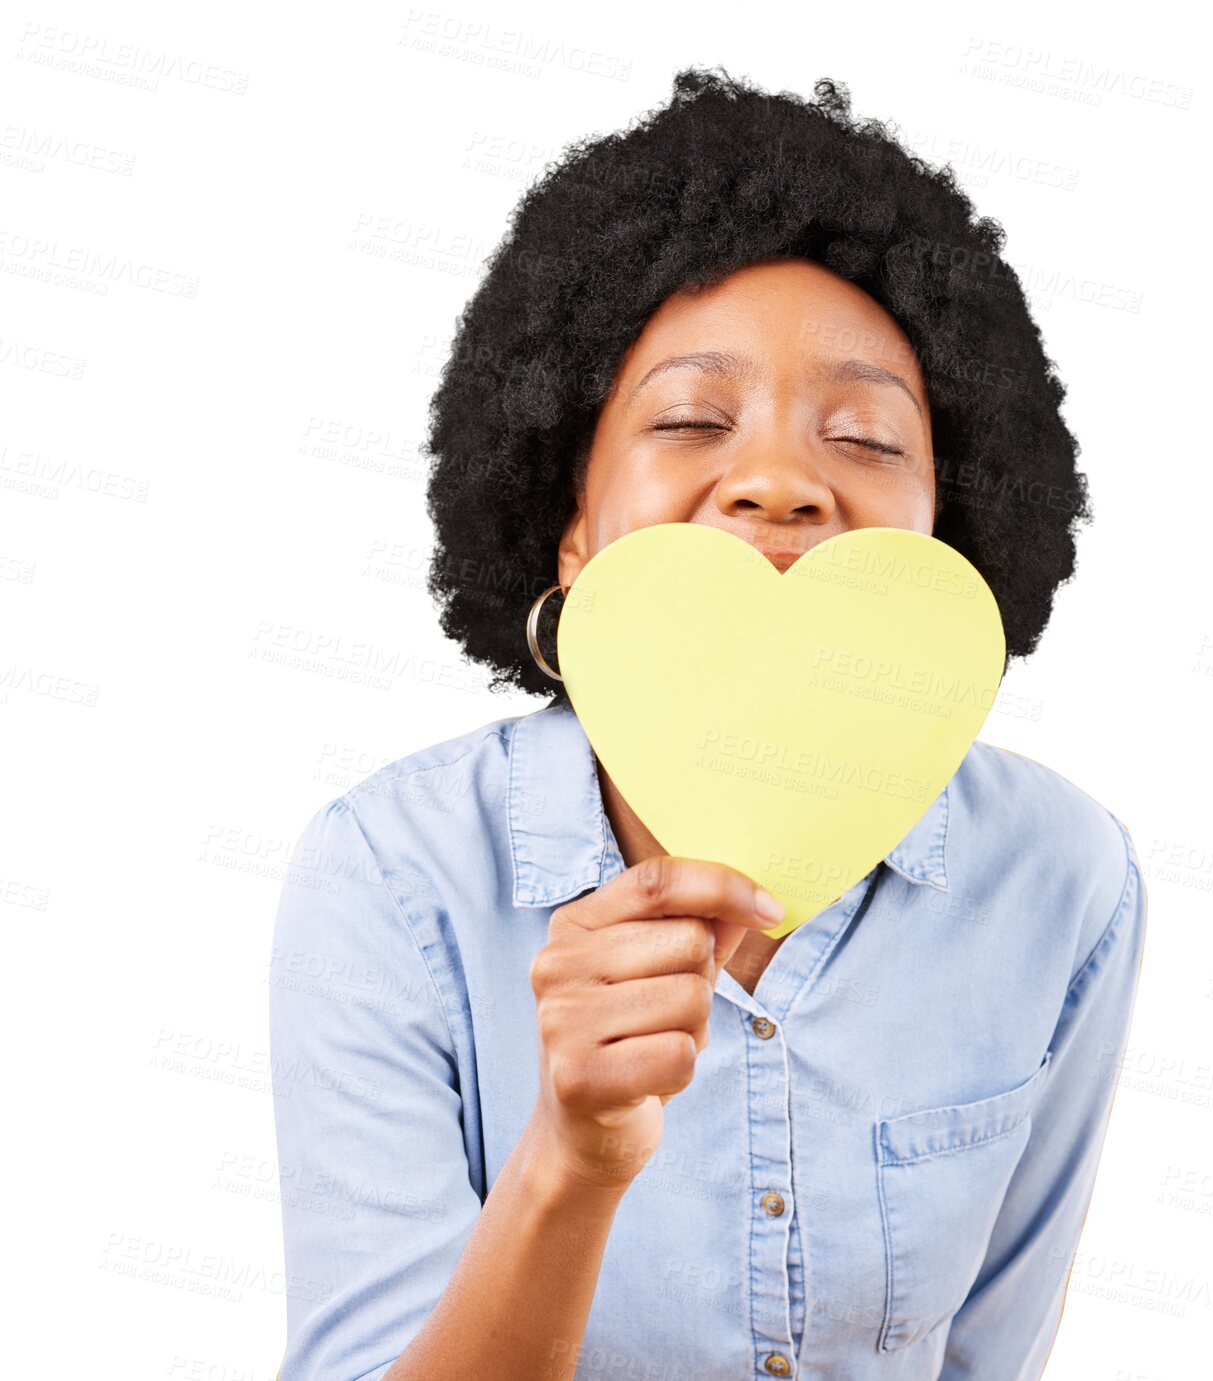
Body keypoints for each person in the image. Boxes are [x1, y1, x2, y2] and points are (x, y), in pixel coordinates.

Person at [269, 66, 1148, 1380]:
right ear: (567, 519)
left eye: (864, 435)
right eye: (690, 418)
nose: (782, 478)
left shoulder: (1061, 877)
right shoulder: (392, 883)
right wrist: (571, 1165)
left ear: (946, 531)